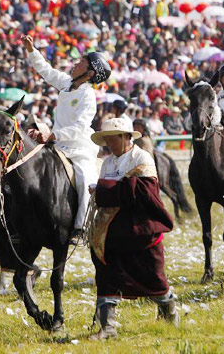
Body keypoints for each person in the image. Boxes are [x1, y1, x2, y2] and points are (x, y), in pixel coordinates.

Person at [87, 117, 177, 340]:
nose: (109, 143)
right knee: (107, 275)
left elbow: (143, 192)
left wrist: (105, 190)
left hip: (139, 229)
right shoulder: (107, 163)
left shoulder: (141, 158)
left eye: (113, 138)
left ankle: (168, 307)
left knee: (152, 275)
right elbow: (110, 192)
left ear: (126, 137)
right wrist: (106, 191)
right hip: (110, 232)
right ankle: (108, 327)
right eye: (106, 139)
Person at [22, 34, 108, 242]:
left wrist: (51, 134)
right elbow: (46, 71)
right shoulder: (67, 83)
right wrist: (31, 50)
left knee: (85, 179)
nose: (76, 63)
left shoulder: (88, 96)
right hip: (57, 143)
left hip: (79, 147)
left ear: (89, 74)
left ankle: (80, 228)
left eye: (82, 62)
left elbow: (80, 127)